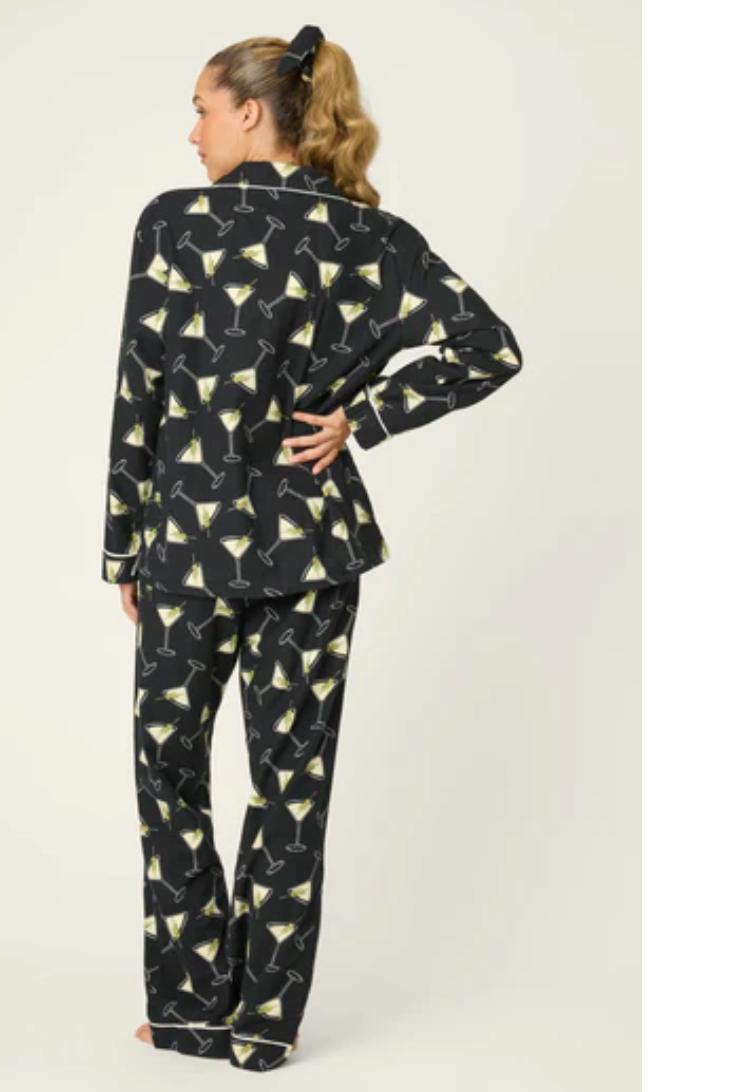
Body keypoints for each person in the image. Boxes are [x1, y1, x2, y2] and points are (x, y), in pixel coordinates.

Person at [100, 25, 524, 1072]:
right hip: (313, 547)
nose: (192, 132)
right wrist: (362, 421)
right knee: (291, 787)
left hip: (188, 547)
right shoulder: (370, 236)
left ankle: (191, 1011)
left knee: (169, 773)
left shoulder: (173, 223)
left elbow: (138, 389)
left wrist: (123, 549)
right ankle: (263, 1028)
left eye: (202, 109)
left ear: (251, 112)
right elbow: (490, 347)